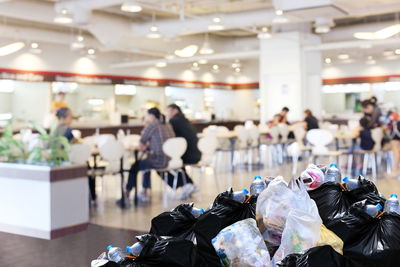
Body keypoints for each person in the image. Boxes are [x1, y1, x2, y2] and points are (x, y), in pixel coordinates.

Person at [123, 108, 175, 203]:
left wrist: (145, 125)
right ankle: (144, 191)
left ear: (151, 116)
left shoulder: (152, 125)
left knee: (135, 166)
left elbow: (141, 143)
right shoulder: (168, 124)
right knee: (146, 162)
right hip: (171, 159)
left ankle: (127, 192)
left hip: (159, 160)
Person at [165, 104, 201, 197]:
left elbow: (170, 138)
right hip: (196, 154)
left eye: (168, 111)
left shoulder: (173, 121)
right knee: (177, 163)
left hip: (187, 155)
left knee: (165, 163)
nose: (166, 114)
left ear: (175, 110)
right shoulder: (185, 120)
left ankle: (183, 185)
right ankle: (188, 185)